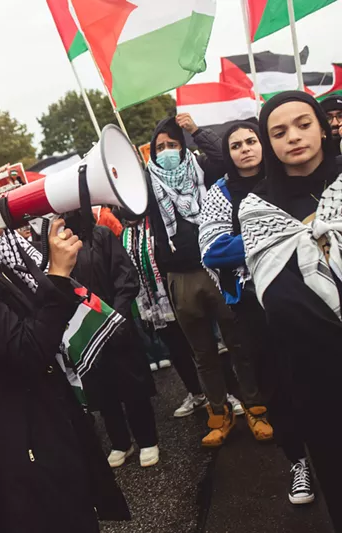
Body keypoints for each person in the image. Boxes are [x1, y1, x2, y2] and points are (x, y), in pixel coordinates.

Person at [0, 169, 129, 532]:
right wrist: (58, 276)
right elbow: (27, 349)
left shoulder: (3, 255)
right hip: (17, 444)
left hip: (46, 420)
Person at [239, 91, 342, 527]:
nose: (293, 137)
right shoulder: (258, 209)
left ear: (323, 126)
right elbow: (280, 299)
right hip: (316, 368)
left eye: (303, 124)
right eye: (278, 132)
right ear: (268, 142)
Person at [147, 113, 267, 447]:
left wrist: (196, 131)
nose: (167, 151)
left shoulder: (203, 169)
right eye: (161, 147)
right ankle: (220, 413)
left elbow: (222, 156)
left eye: (173, 144)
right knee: (203, 353)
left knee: (239, 342)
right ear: (152, 154)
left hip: (217, 272)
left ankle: (256, 407)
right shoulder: (146, 182)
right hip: (180, 277)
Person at [196, 122, 277, 445]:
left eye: (251, 141)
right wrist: (274, 235)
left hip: (303, 292)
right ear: (228, 155)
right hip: (252, 299)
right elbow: (213, 250)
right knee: (271, 374)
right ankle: (296, 456)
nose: (245, 149)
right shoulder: (221, 192)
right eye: (236, 145)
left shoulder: (286, 178)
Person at [63, 212, 160, 468]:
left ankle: (147, 439)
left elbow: (125, 276)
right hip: (87, 330)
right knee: (102, 389)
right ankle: (121, 443)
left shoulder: (102, 235)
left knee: (132, 386)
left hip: (116, 323)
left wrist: (114, 316)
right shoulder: (58, 245)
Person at [120, 212, 206, 417]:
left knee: (201, 346)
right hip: (155, 306)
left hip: (174, 292)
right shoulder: (125, 235)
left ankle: (224, 392)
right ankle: (196, 393)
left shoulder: (158, 222)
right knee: (177, 350)